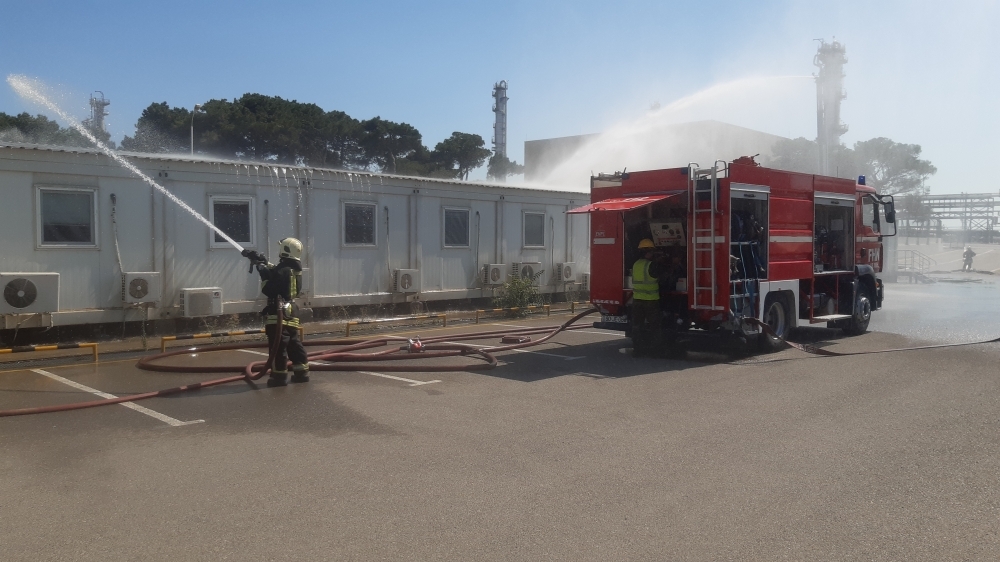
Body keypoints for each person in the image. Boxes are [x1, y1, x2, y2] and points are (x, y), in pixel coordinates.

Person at [243, 238, 309, 387]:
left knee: (278, 346)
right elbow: (277, 272)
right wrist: (263, 262)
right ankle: (302, 373)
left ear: (284, 250)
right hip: (290, 310)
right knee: (293, 343)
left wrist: (263, 272)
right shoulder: (292, 268)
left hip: (278, 312)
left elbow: (269, 289)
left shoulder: (284, 270)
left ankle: (279, 377)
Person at [631, 238, 666, 357]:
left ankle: (637, 349)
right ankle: (655, 350)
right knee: (654, 327)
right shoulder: (651, 265)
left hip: (637, 300)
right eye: (652, 252)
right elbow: (663, 276)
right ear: (648, 252)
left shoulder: (636, 264)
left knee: (637, 326)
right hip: (650, 301)